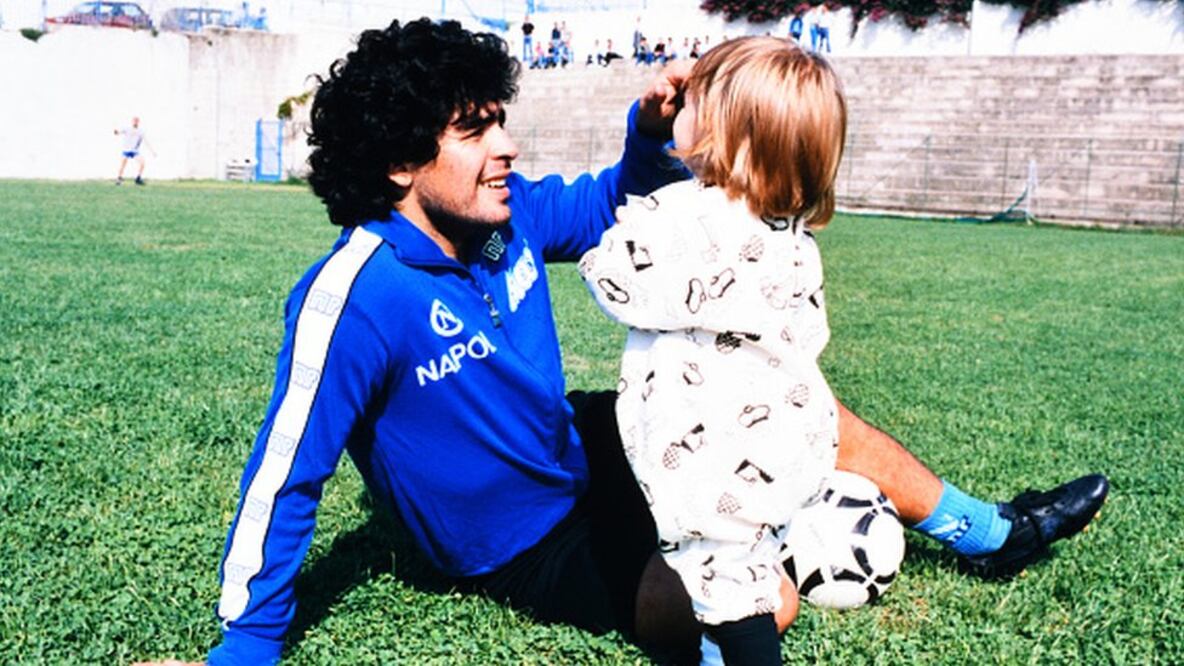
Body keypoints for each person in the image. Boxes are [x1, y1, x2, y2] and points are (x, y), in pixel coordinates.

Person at [142, 18, 1107, 666]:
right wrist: (247, 645)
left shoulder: (505, 220)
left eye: (501, 122)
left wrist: (650, 136)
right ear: (401, 161)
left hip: (582, 442)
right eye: (474, 133)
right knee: (762, 600)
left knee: (791, 400)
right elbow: (285, 475)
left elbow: (612, 202)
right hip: (517, 545)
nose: (507, 148)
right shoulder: (355, 295)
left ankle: (989, 533)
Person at [579, 38, 850, 664]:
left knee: (727, 585)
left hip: (711, 442)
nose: (679, 108)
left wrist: (603, 257)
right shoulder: (787, 232)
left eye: (694, 100)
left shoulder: (688, 215)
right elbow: (809, 330)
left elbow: (623, 285)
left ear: (726, 135)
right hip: (791, 429)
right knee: (742, 565)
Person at [114, 116, 153, 186]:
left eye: (137, 121)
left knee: (142, 163)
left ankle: (138, 179)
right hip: (126, 150)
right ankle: (119, 179)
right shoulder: (127, 128)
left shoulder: (141, 131)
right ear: (132, 121)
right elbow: (118, 132)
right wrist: (116, 132)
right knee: (123, 165)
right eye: (134, 121)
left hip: (134, 151)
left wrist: (152, 151)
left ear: (139, 122)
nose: (135, 122)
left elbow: (146, 141)